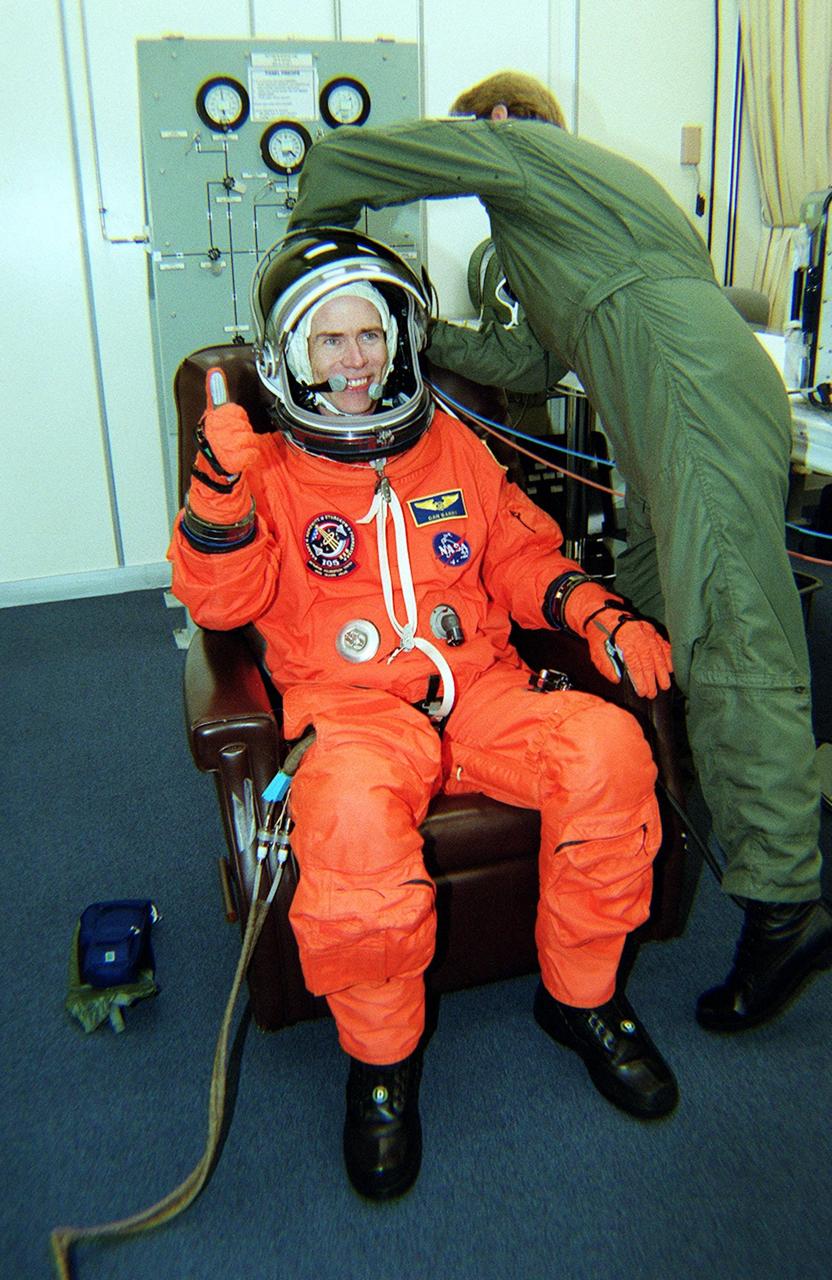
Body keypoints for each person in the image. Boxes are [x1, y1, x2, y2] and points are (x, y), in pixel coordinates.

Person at [285, 70, 832, 1036]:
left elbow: (342, 159)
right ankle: (674, 800)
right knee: (649, 606)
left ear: (497, 125)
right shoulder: (554, 230)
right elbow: (531, 362)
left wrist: (310, 257)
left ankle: (785, 900)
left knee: (734, 628)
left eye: (479, 140)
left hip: (684, 388)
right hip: (661, 400)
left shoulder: (528, 154)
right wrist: (403, 327)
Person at [169, 228, 677, 1201]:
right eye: (329, 341)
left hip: (480, 688)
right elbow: (220, 606)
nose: (354, 361)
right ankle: (382, 1060)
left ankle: (582, 998)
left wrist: (595, 611)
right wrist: (221, 505)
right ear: (288, 355)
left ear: (399, 339)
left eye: (369, 335)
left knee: (608, 750)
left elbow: (519, 556)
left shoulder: (454, 445)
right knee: (353, 825)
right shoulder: (266, 470)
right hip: (354, 712)